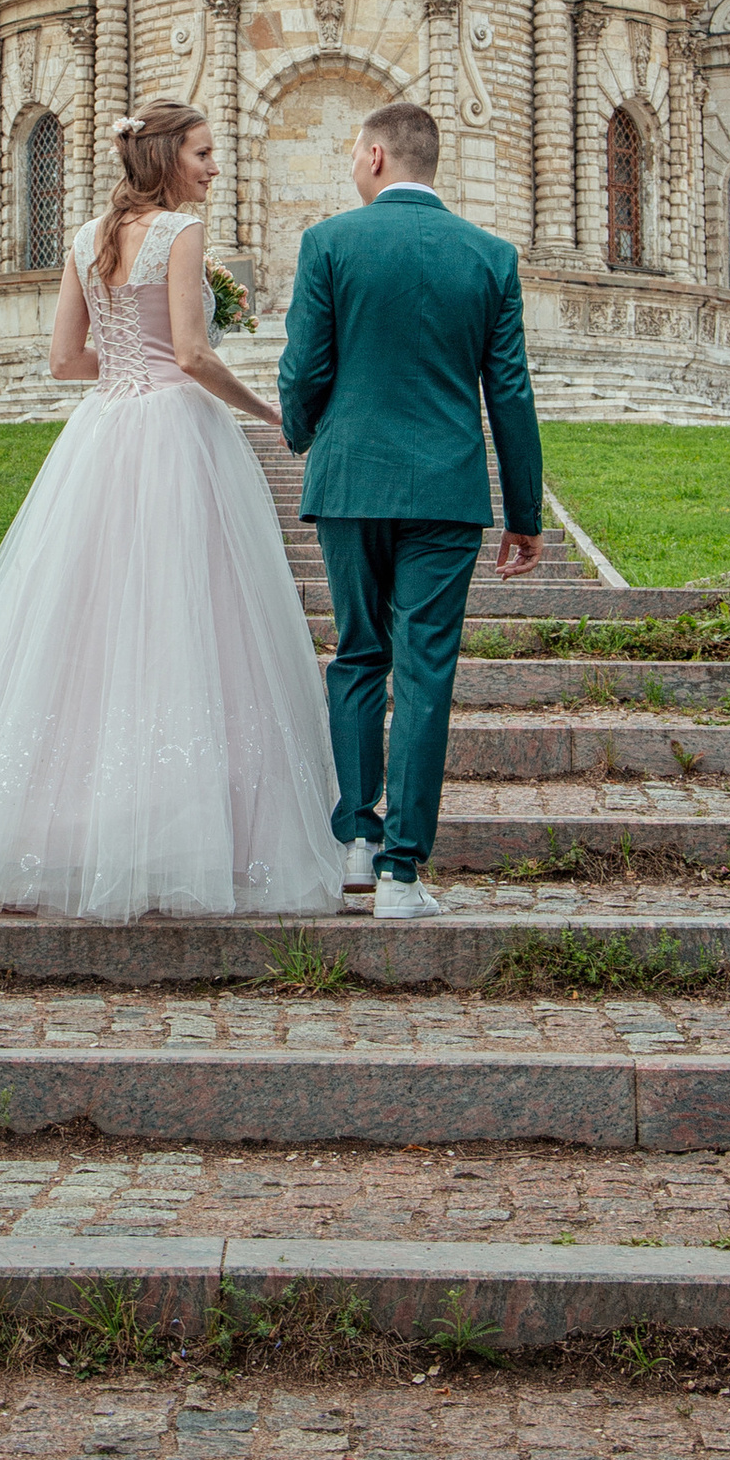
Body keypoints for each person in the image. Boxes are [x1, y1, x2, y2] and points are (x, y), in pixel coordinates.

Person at [0, 98, 341, 921]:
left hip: (104, 430)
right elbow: (191, 354)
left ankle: (77, 822)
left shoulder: (85, 239)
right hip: (177, 433)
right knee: (188, 618)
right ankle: (184, 825)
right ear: (167, 162)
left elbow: (62, 360)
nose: (215, 167)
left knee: (88, 623)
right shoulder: (180, 238)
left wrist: (123, 369)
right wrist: (271, 413)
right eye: (204, 154)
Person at [276, 99, 544, 920]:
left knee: (358, 655)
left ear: (380, 158)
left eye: (358, 153)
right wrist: (523, 512)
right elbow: (509, 392)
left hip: (352, 480)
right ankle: (402, 874)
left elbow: (302, 368)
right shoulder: (491, 257)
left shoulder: (328, 243)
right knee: (426, 669)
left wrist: (305, 435)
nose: (354, 165)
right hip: (448, 489)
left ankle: (355, 841)